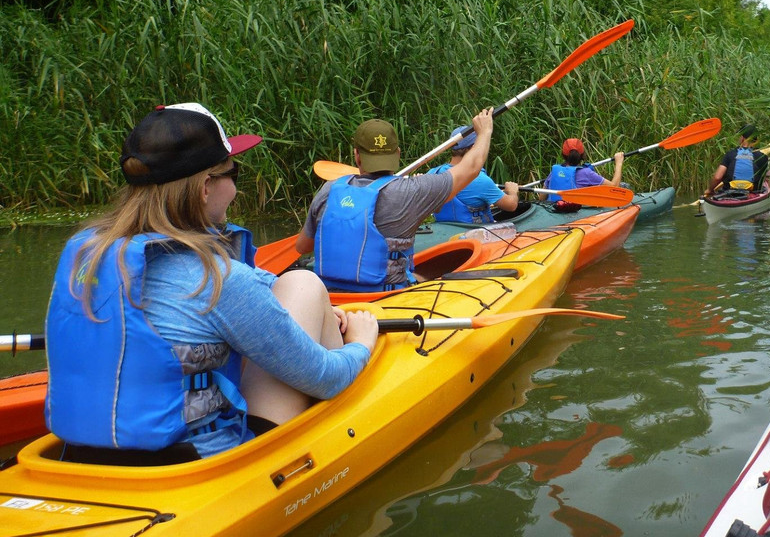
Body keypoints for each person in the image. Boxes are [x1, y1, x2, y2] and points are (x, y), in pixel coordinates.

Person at [45, 102, 379, 463]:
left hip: (79, 454)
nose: (235, 189)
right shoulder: (216, 280)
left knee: (301, 285)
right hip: (196, 462)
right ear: (206, 187)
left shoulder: (87, 255)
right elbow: (325, 377)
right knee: (307, 285)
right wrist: (360, 342)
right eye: (233, 174)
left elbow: (246, 292)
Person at [295, 109, 497, 292]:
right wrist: (484, 131)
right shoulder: (411, 192)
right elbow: (471, 168)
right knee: (429, 273)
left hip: (332, 298)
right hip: (386, 296)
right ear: (398, 154)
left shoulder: (330, 188)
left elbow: (302, 247)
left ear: (357, 156)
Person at [426, 126, 522, 224]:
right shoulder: (480, 180)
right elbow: (511, 205)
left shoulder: (433, 173)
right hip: (472, 234)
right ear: (473, 148)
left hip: (443, 231)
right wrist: (512, 191)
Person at [542, 137, 625, 203]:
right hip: (575, 216)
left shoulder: (554, 172)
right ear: (582, 155)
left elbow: (541, 198)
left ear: (563, 155)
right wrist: (619, 163)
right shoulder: (587, 173)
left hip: (554, 210)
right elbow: (614, 187)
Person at [707, 124, 770, 194]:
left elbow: (717, 177)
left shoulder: (730, 154)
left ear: (742, 138)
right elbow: (768, 178)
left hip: (729, 193)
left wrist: (710, 190)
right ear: (756, 140)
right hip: (753, 193)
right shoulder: (762, 156)